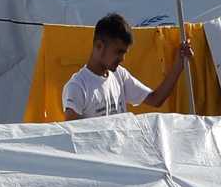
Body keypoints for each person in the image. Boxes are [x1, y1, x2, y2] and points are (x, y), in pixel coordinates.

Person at [63, 13, 193, 120]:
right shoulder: (78, 87)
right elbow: (73, 137)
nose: (122, 59)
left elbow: (156, 99)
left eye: (124, 53)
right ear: (99, 46)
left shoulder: (120, 74)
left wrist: (179, 63)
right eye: (118, 52)